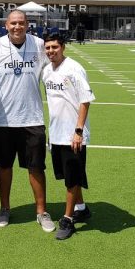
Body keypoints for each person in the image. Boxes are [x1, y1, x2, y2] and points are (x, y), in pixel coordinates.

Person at [0, 8, 53, 232]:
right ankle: (4, 208)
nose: (17, 27)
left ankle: (41, 211)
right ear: (6, 25)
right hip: (2, 120)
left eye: (21, 23)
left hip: (32, 118)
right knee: (4, 166)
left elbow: (54, 69)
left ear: (27, 25)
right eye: (13, 23)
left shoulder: (39, 45)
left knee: (36, 168)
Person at [41, 33, 95, 240]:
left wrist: (78, 131)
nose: (51, 51)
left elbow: (85, 100)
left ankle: (68, 219)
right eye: (48, 48)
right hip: (56, 133)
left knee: (72, 178)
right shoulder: (47, 71)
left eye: (55, 47)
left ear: (63, 47)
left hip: (73, 134)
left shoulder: (74, 68)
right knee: (68, 175)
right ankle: (81, 208)